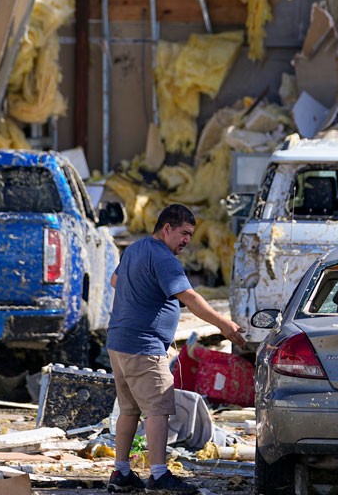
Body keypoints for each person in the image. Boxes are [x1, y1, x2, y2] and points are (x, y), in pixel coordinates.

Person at [105, 204, 247, 494]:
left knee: (129, 411)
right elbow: (190, 297)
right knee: (158, 410)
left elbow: (115, 280)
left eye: (190, 235)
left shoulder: (135, 248)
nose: (186, 241)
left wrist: (143, 295)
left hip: (119, 343)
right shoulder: (163, 257)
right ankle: (158, 475)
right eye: (183, 233)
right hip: (144, 347)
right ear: (166, 228)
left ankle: (121, 473)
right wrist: (224, 325)